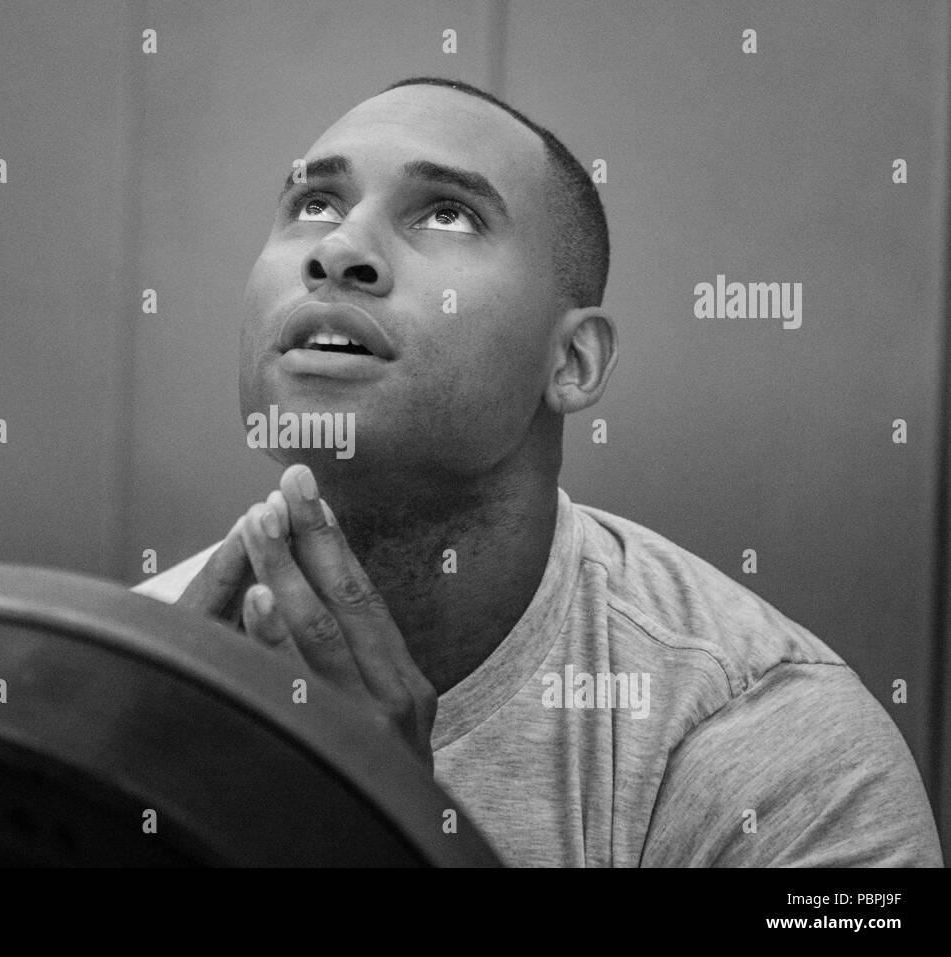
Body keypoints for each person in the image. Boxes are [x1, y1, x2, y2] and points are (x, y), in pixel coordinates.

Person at [133, 76, 943, 866]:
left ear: (573, 360)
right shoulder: (114, 675)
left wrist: (392, 830)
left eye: (448, 213)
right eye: (314, 205)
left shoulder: (779, 749)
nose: (339, 250)